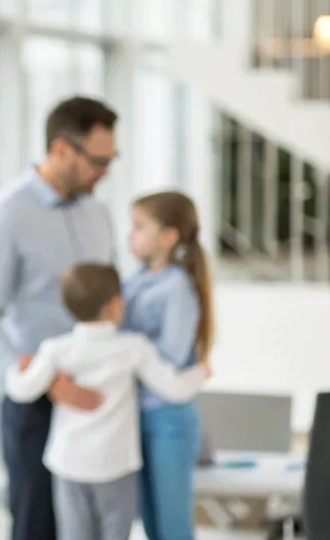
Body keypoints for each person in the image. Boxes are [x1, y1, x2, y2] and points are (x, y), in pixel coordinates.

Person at [0, 97, 118, 540]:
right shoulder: (6, 215)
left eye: (112, 159)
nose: (106, 171)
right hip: (37, 404)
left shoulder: (99, 214)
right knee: (37, 528)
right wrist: (44, 381)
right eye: (98, 160)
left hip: (98, 401)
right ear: (60, 149)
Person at [5, 263, 209, 540]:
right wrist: (200, 373)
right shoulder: (134, 348)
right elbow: (173, 388)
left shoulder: (56, 350)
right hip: (115, 467)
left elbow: (21, 390)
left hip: (69, 465)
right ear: (114, 305)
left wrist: (18, 369)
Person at [123, 191, 215, 540]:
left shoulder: (177, 288)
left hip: (168, 420)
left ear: (169, 236)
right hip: (137, 415)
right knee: (150, 521)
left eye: (139, 227)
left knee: (172, 526)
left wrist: (130, 351)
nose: (130, 235)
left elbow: (171, 358)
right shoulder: (134, 280)